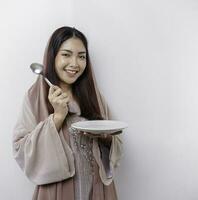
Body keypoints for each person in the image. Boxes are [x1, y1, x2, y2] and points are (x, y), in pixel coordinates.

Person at [12, 26, 123, 200]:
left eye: (81, 56)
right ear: (53, 56)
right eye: (66, 54)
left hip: (97, 188)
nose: (75, 64)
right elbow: (20, 150)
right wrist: (57, 117)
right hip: (57, 190)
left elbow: (115, 142)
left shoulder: (94, 96)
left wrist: (106, 137)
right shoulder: (35, 96)